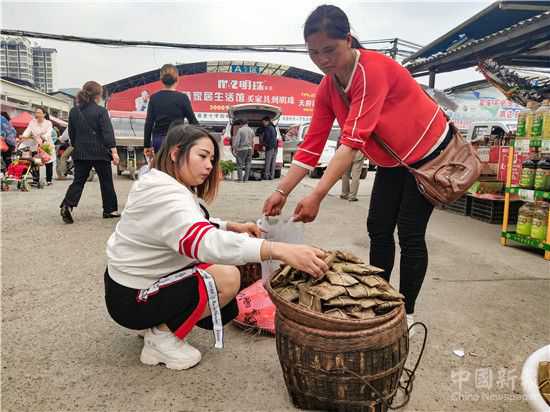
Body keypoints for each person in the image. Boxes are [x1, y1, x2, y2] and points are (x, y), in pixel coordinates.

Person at [263, 5, 452, 328]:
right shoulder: (328, 87)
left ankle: (406, 315)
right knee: (378, 227)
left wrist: (317, 195)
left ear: (348, 40)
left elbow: (352, 142)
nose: (322, 59)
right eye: (314, 52)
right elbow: (312, 145)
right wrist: (282, 191)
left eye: (330, 50)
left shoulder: (371, 70)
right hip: (393, 158)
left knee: (409, 232)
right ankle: (381, 301)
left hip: (428, 153)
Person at [105, 124, 327, 370]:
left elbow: (188, 224)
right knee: (226, 277)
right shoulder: (165, 195)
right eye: (202, 156)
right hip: (135, 299)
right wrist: (279, 249)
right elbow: (203, 241)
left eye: (211, 159)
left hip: (130, 288)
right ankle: (161, 339)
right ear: (176, 153)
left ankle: (156, 323)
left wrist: (230, 226)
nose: (209, 165)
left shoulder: (158, 182)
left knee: (219, 266)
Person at [60, 81, 120, 224]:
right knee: (106, 182)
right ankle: (109, 210)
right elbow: (107, 133)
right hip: (100, 153)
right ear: (98, 96)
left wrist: (77, 146)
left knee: (78, 181)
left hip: (81, 152)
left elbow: (72, 133)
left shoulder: (74, 111)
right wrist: (114, 152)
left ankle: (67, 205)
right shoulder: (101, 111)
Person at [144, 64, 198, 157]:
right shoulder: (182, 98)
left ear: (161, 79)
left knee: (161, 164)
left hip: (159, 140)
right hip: (178, 139)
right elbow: (193, 121)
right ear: (177, 79)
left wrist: (146, 145)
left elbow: (149, 123)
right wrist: (199, 139)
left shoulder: (154, 98)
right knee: (176, 165)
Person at [21, 106, 54, 186]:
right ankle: (35, 179)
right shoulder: (32, 122)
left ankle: (49, 180)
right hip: (36, 144)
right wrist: (23, 136)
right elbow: (28, 130)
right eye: (36, 112)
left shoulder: (48, 123)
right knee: (36, 161)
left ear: (44, 114)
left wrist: (44, 137)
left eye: (39, 112)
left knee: (48, 162)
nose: (37, 114)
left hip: (46, 144)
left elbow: (49, 132)